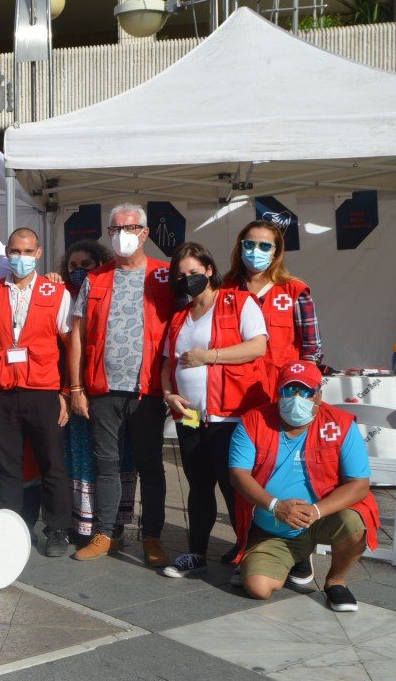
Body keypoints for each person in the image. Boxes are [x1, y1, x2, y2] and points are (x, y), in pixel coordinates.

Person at [67, 203, 175, 565]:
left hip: (147, 391)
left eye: (128, 228)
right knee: (106, 465)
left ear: (145, 233)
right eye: (114, 229)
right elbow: (78, 335)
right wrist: (76, 388)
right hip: (103, 389)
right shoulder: (95, 278)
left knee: (150, 465)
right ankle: (106, 533)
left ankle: (152, 537)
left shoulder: (165, 275)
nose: (121, 235)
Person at [230, 361, 379, 612]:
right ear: (278, 393)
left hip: (321, 517)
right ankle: (293, 555)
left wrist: (317, 511)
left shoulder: (341, 424)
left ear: (319, 394)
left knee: (355, 522)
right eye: (289, 391)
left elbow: (359, 484)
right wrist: (276, 506)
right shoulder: (253, 421)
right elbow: (238, 474)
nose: (297, 398)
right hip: (273, 526)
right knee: (258, 588)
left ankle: (336, 581)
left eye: (306, 391)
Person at [158, 242, 269, 578]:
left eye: (193, 272)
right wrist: (168, 394)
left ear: (209, 269)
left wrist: (210, 356)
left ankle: (248, 552)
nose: (187, 278)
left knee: (234, 487)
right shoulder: (180, 316)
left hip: (230, 415)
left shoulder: (239, 302)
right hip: (190, 415)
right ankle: (196, 553)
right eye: (181, 274)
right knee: (198, 484)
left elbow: (258, 346)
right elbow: (167, 362)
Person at [0, 227, 76, 557]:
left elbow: (70, 344)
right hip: (4, 391)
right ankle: (11, 526)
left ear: (38, 254)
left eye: (27, 252)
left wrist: (66, 391)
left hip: (43, 389)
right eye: (15, 252)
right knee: (8, 464)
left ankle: (57, 529)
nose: (21, 258)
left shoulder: (56, 292)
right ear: (8, 253)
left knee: (52, 462)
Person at [61, 240, 138, 541]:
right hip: (76, 389)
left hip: (110, 389)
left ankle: (113, 521)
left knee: (115, 457)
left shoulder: (107, 291)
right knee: (81, 455)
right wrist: (72, 389)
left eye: (85, 266)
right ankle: (83, 523)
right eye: (72, 266)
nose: (78, 272)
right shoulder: (62, 297)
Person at [225, 219, 324, 393]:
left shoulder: (294, 291)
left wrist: (300, 391)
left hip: (280, 388)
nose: (255, 250)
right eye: (249, 244)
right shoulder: (224, 290)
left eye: (264, 246)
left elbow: (311, 350)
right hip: (235, 387)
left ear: (275, 253)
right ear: (240, 247)